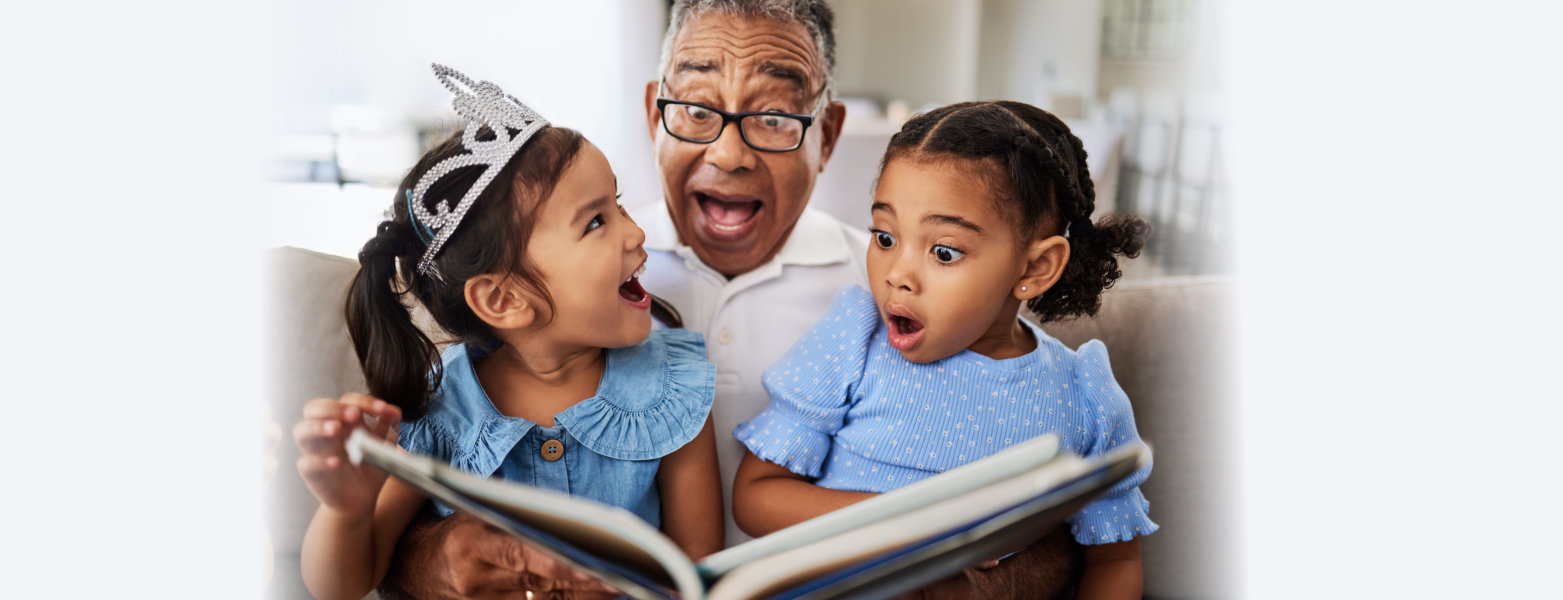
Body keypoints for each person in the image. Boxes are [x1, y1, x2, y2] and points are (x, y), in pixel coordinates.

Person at [385, 2, 1087, 598]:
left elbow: (1032, 467)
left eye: (777, 118)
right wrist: (431, 560)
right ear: (652, 113)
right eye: (693, 109)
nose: (729, 154)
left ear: (829, 135)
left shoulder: (897, 292)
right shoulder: (559, 279)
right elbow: (439, 449)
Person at [292, 65, 722, 600]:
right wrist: (346, 510)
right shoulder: (437, 411)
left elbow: (698, 574)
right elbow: (341, 586)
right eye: (595, 222)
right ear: (503, 299)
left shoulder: (671, 388)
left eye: (618, 204)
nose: (636, 233)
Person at [731, 100, 1158, 600]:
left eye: (944, 252)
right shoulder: (855, 339)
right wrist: (914, 524)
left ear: (1034, 268)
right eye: (885, 237)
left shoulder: (1082, 395)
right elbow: (756, 498)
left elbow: (1114, 559)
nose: (897, 275)